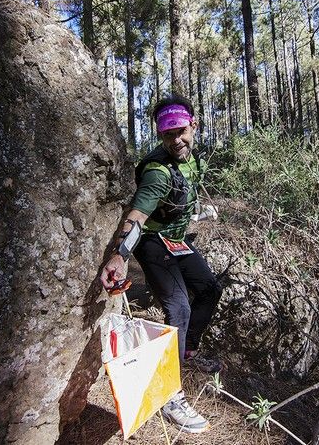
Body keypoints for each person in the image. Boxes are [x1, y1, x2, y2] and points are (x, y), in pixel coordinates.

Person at [100, 93, 222, 434]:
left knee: (210, 290)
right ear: (160, 135)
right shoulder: (157, 171)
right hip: (150, 242)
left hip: (176, 241)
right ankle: (170, 393)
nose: (176, 140)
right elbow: (137, 215)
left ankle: (187, 352)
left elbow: (182, 197)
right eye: (168, 134)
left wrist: (197, 212)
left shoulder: (189, 156)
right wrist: (120, 255)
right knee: (178, 308)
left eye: (181, 131)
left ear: (193, 125)